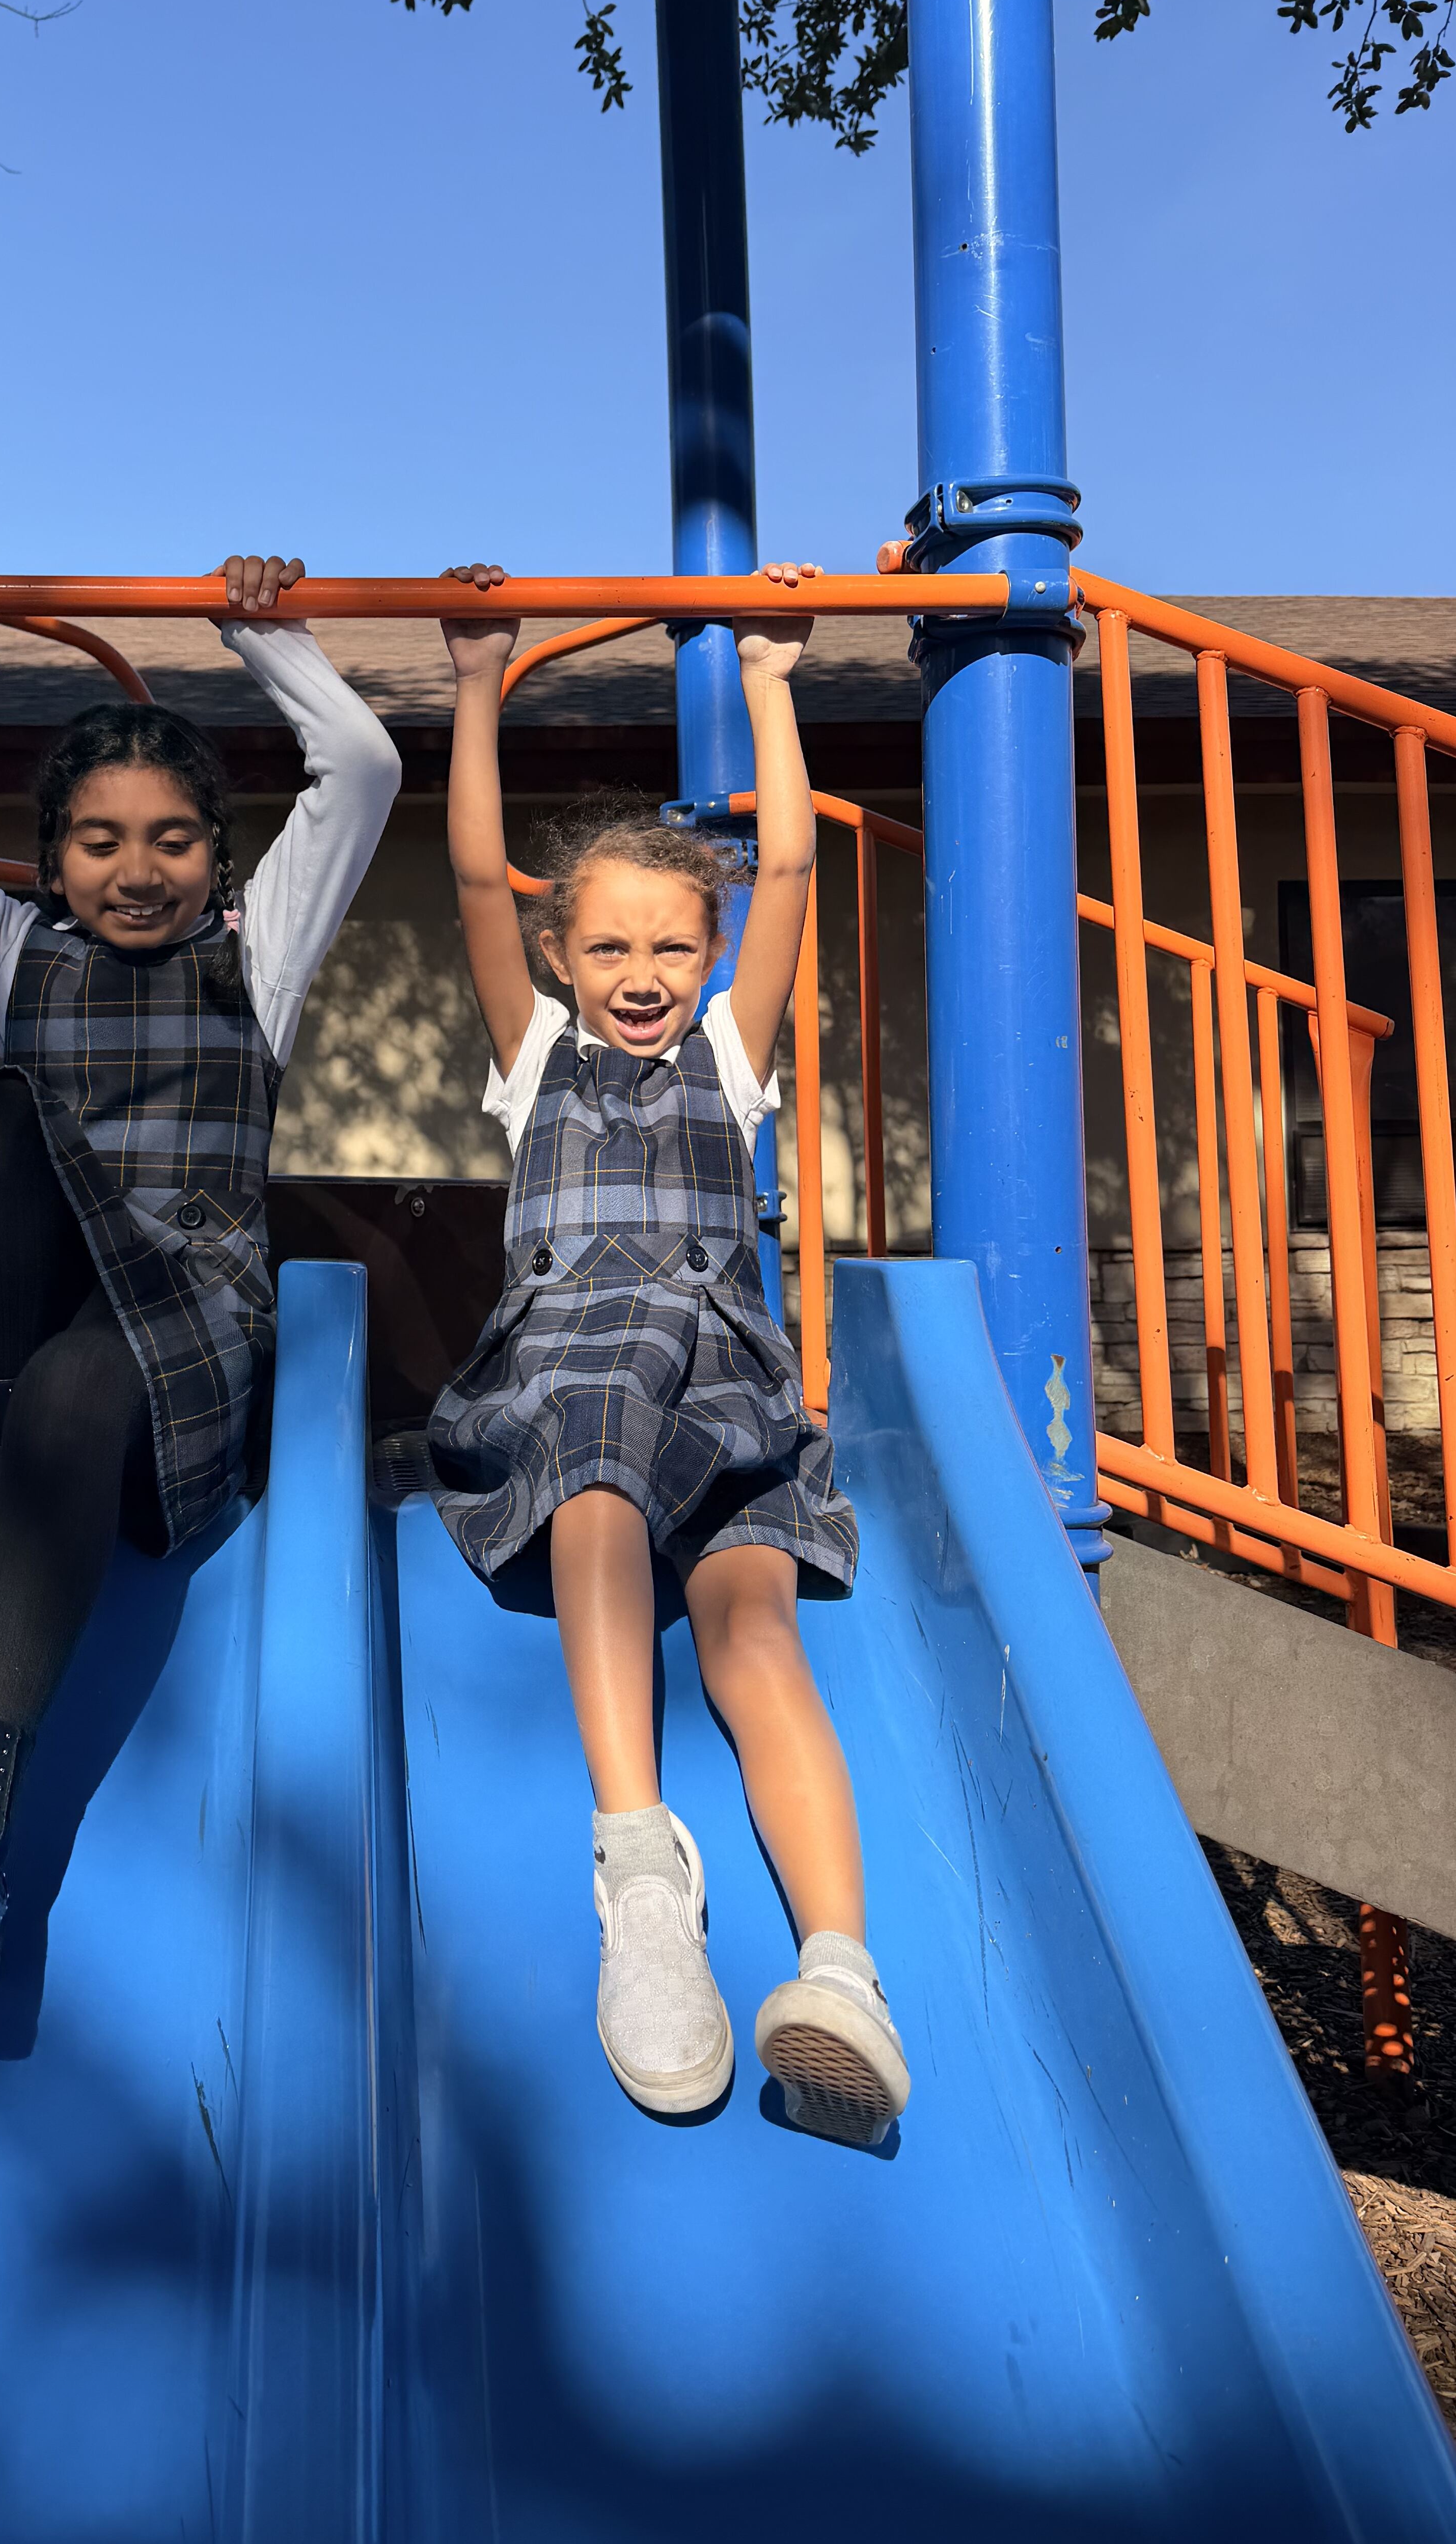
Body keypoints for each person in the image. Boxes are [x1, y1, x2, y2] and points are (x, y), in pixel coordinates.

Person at [0, 546, 401, 2001]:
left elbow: (365, 768)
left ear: (218, 852)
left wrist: (256, 634)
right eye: (99, 841)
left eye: (175, 839)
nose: (138, 871)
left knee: (83, 1381)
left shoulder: (259, 955)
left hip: (181, 1316)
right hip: (27, 1296)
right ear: (49, 855)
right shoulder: (6, 947)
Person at [427, 560, 911, 2143]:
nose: (643, 979)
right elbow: (475, 871)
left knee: (754, 1634)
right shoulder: (529, 1052)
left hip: (728, 1383)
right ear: (562, 954)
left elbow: (783, 877)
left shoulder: (726, 1051)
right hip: (575, 1368)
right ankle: (640, 1863)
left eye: (670, 952)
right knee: (592, 1474)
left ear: (703, 963)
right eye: (611, 950)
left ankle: (839, 1974)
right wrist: (477, 679)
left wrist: (771, 682)